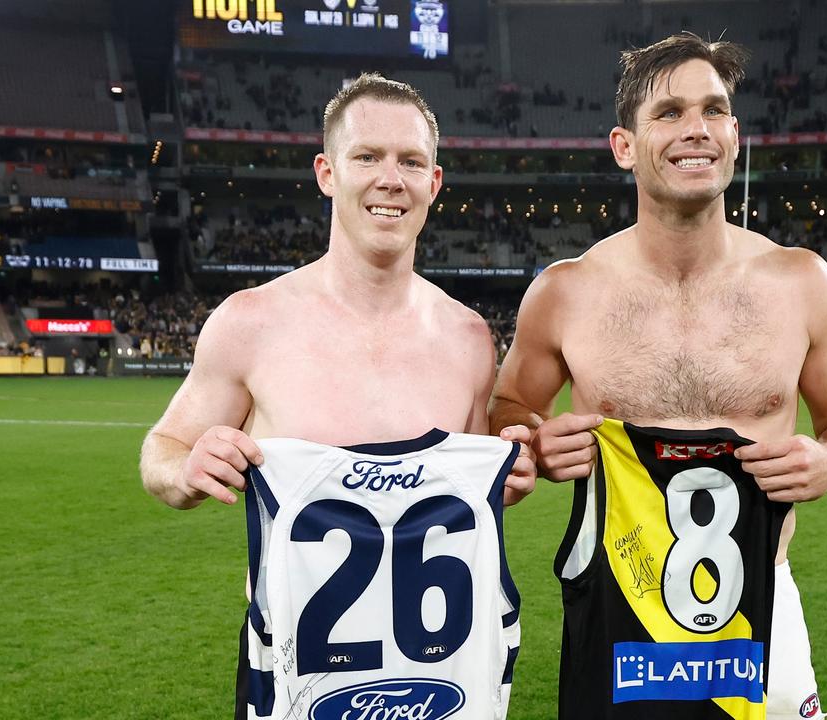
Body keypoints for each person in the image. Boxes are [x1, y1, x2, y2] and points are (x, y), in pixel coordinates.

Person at [490, 33, 827, 720]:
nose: (695, 129)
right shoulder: (565, 292)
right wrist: (532, 444)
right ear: (623, 145)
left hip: (762, 597)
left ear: (734, 134)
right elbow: (509, 408)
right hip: (619, 603)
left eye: (714, 109)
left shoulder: (803, 283)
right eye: (668, 113)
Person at [139, 73, 535, 718]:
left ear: (434, 184)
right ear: (327, 172)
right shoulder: (250, 323)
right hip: (296, 684)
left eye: (411, 161)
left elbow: (459, 511)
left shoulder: (468, 339)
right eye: (367, 157)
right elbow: (164, 449)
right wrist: (185, 470)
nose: (390, 179)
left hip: (441, 679)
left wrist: (504, 484)